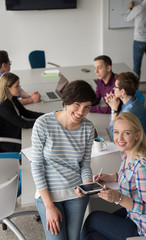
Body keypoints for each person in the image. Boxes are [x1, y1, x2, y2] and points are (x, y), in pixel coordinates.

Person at [30, 80, 97, 240]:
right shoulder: (43, 124)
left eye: (87, 106)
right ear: (66, 101)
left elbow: (85, 164)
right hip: (49, 195)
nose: (81, 111)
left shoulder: (88, 128)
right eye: (77, 104)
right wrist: (49, 206)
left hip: (77, 196)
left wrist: (87, 185)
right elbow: (37, 166)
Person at [80, 112, 146, 239]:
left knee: (92, 220)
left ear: (137, 135)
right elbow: (132, 177)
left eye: (126, 133)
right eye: (116, 132)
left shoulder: (143, 167)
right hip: (133, 215)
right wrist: (113, 177)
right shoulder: (128, 153)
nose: (119, 138)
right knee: (94, 234)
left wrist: (118, 198)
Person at [105, 72, 146, 146]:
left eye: (115, 86)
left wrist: (114, 109)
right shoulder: (135, 100)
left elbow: (115, 138)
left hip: (140, 147)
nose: (113, 88)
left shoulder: (128, 111)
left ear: (123, 91)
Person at [0, 72, 44, 152]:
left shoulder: (12, 98)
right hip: (13, 140)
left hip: (20, 132)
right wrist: (44, 120)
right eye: (17, 86)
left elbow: (26, 113)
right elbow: (24, 124)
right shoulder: (3, 107)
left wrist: (46, 115)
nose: (20, 88)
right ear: (7, 89)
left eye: (19, 85)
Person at [125, 0, 146, 93]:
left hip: (139, 40)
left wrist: (130, 8)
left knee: (137, 66)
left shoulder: (138, 8)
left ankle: (135, 88)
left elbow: (127, 18)